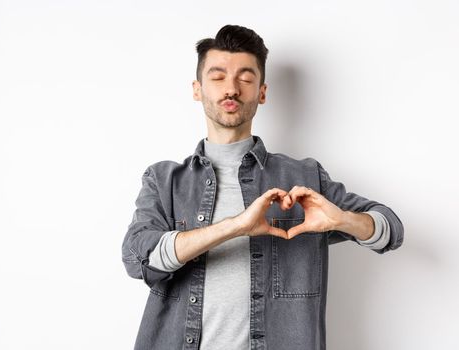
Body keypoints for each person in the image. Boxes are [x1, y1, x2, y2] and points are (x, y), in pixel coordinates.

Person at [120, 24, 404, 350]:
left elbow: (390, 230)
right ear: (197, 89)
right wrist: (236, 227)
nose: (231, 88)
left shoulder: (304, 178)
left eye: (245, 77)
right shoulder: (165, 181)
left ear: (262, 92)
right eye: (217, 77)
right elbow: (139, 259)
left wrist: (342, 220)